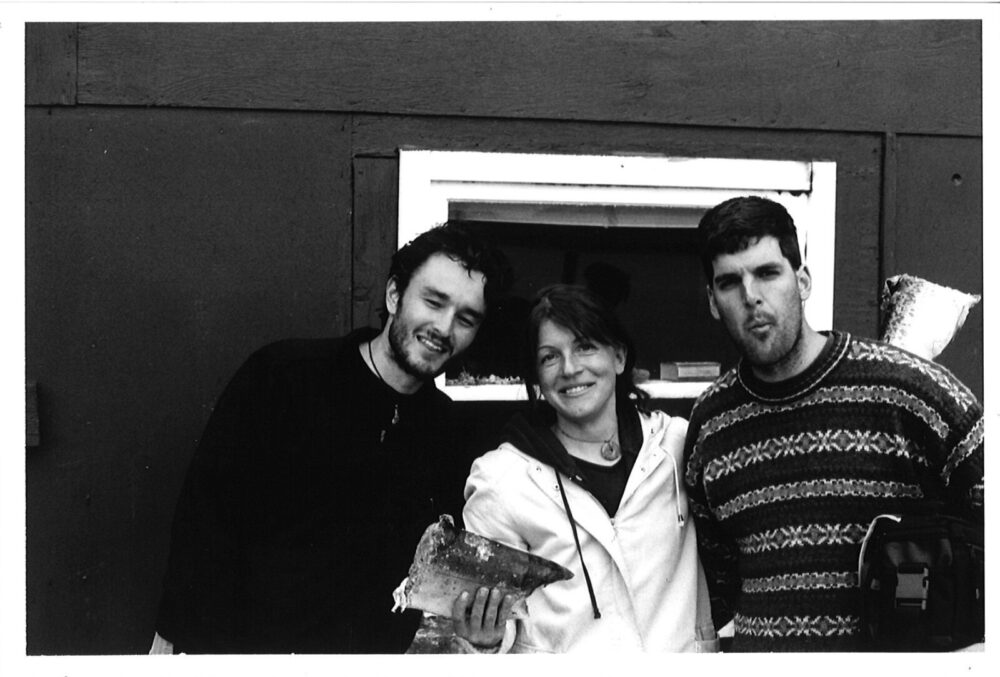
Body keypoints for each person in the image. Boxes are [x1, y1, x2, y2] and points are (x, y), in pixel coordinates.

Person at [151, 222, 511, 654]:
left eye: (466, 318)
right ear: (395, 295)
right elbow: (205, 522)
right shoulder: (285, 377)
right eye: (433, 302)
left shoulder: (447, 431)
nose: (444, 327)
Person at [683, 196, 984, 651]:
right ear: (712, 301)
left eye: (768, 273)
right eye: (729, 282)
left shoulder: (908, 391)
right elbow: (718, 588)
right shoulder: (712, 424)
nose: (751, 297)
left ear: (802, 281)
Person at [454, 284, 718, 653]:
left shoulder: (675, 446)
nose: (570, 368)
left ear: (620, 357)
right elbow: (497, 629)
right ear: (537, 378)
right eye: (549, 357)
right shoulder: (502, 480)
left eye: (585, 346)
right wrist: (486, 640)